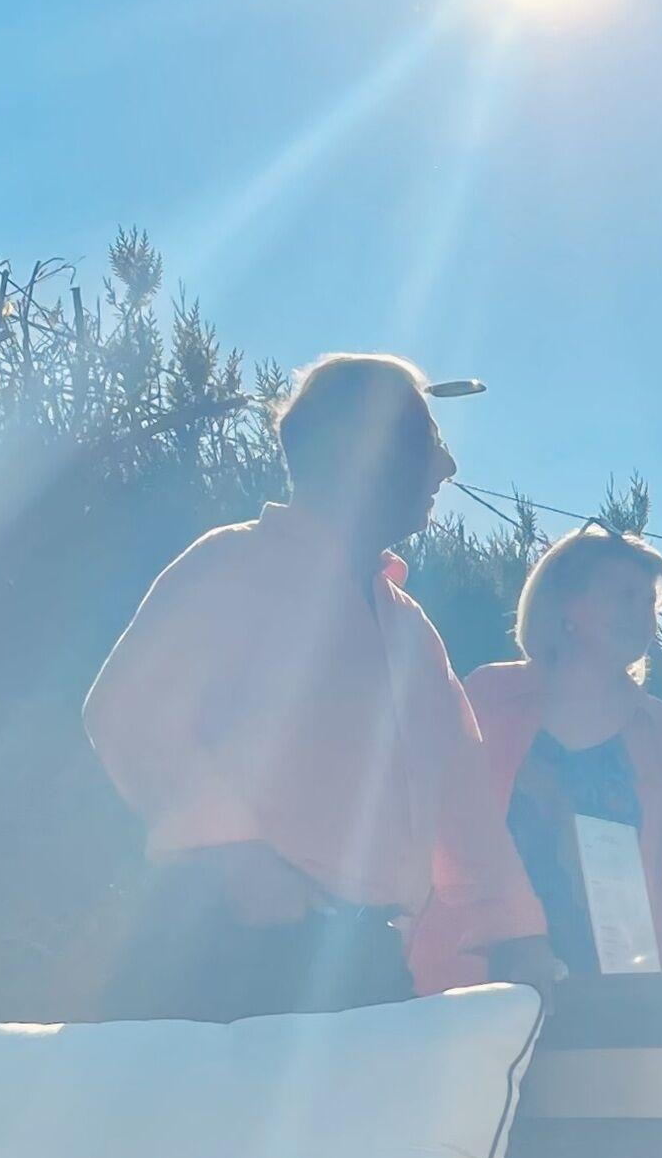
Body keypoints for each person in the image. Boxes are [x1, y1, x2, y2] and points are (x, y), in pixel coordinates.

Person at [83, 353, 489, 1019]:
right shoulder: (233, 563)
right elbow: (129, 712)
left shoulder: (411, 629)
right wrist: (239, 859)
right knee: (207, 1126)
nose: (448, 468)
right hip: (227, 947)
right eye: (430, 442)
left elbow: (463, 790)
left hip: (362, 961)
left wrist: (515, 930)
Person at [410, 525, 662, 988]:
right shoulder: (489, 696)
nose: (641, 615)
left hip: (627, 994)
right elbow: (437, 828)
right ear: (564, 608)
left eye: (647, 603)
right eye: (622, 596)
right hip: (481, 979)